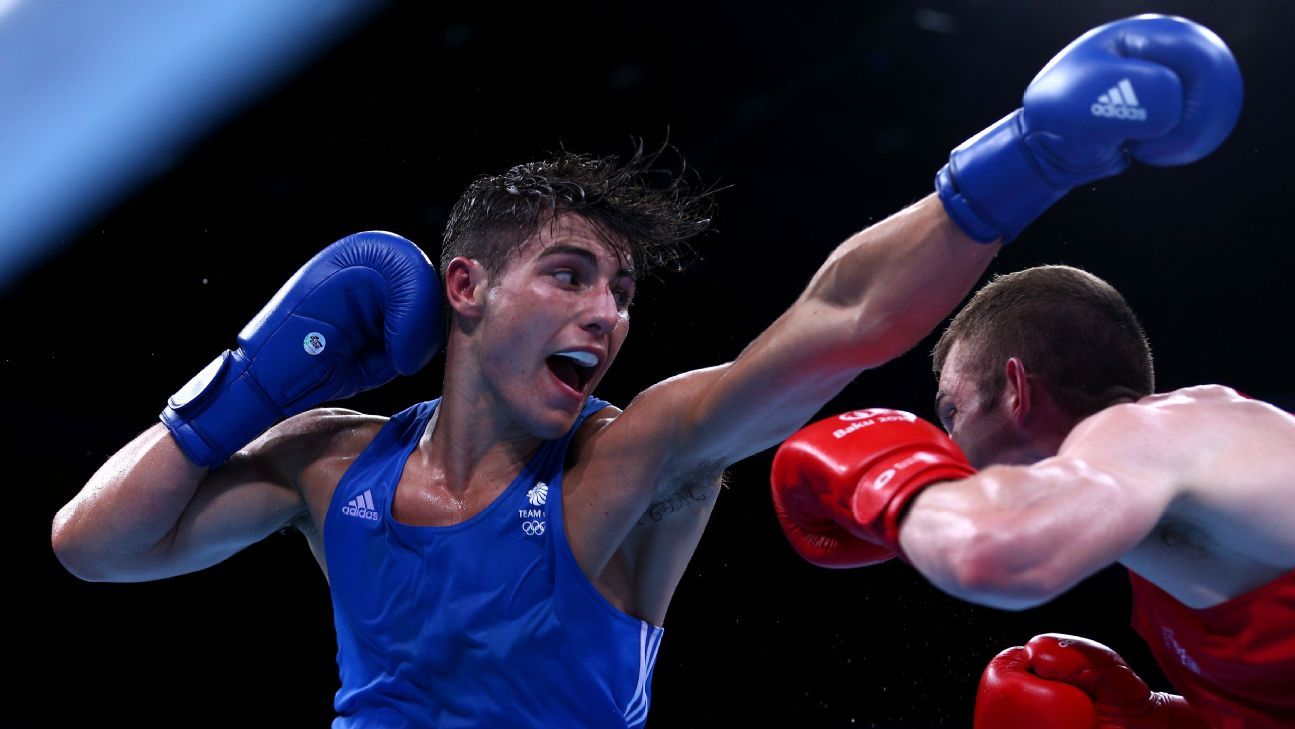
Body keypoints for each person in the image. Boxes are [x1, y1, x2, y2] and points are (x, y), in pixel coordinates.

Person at [52, 13, 1239, 728]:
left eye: (620, 291)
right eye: (569, 275)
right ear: (465, 288)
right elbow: (93, 547)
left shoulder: (631, 458)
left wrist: (1028, 158)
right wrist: (248, 386)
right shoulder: (327, 462)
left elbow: (839, 320)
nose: (606, 314)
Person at [773, 263, 1295, 727]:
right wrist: (1154, 721)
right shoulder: (1163, 505)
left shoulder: (1150, 429)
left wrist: (887, 476)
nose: (949, 442)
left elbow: (989, 553)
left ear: (1016, 390)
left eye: (952, 411)